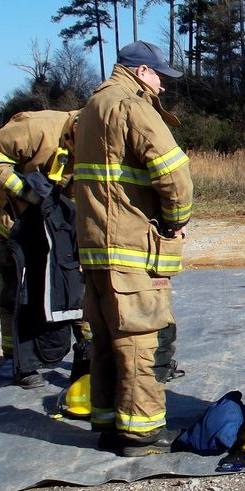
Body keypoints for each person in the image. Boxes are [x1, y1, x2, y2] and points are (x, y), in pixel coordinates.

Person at [74, 41, 193, 457]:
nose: (162, 85)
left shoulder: (90, 107)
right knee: (143, 339)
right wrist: (177, 221)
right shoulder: (132, 106)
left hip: (95, 248)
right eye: (159, 75)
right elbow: (175, 176)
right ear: (142, 71)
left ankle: (110, 424)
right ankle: (141, 434)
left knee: (106, 340)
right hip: (131, 247)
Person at [0, 109, 89, 388]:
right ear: (75, 128)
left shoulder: (95, 140)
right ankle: (18, 362)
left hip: (57, 228)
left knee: (73, 291)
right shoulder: (37, 127)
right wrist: (24, 191)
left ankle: (87, 357)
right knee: (17, 295)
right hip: (16, 224)